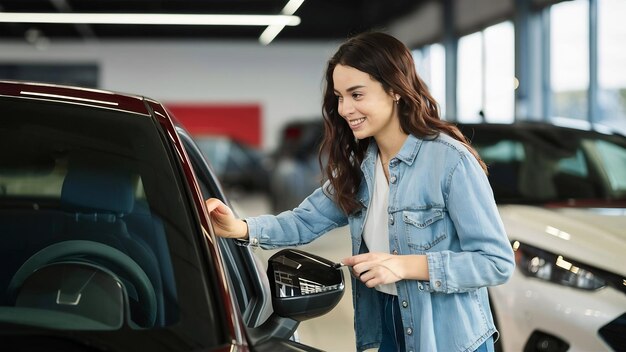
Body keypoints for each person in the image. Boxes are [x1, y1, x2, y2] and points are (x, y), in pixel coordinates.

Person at [205, 31, 515, 352]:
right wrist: (239, 228)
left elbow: (495, 262)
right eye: (339, 96)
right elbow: (303, 221)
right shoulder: (360, 167)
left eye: (356, 94)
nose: (343, 108)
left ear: (394, 90)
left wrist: (403, 265)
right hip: (389, 325)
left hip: (449, 336)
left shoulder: (449, 162)